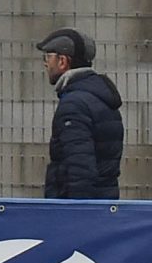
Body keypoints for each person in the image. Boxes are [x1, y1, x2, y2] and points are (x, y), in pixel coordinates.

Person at [36, 27, 123, 199]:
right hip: (102, 205)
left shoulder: (74, 104)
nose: (45, 63)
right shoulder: (99, 97)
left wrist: (76, 215)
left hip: (78, 213)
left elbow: (80, 169)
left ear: (62, 61)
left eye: (48, 57)